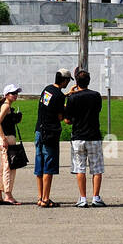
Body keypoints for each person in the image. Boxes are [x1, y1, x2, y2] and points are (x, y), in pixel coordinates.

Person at [65, 68, 105, 207]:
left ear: (76, 82)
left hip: (78, 136)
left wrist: (71, 93)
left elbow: (67, 120)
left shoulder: (72, 98)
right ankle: (96, 197)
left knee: (80, 168)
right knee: (97, 168)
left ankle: (82, 198)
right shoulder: (96, 96)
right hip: (93, 135)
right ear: (89, 81)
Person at [35, 68, 72, 207]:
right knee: (49, 166)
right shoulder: (60, 96)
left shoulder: (47, 90)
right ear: (65, 80)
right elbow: (60, 117)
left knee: (40, 165)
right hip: (50, 133)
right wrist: (66, 104)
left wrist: (66, 95)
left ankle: (40, 197)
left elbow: (50, 104)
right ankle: (46, 198)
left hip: (39, 130)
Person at [0, 83, 23, 205]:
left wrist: (15, 118)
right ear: (6, 95)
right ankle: (8, 195)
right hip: (6, 139)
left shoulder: (6, 106)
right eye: (13, 93)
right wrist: (3, 138)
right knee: (9, 168)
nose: (15, 95)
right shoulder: (6, 106)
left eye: (16, 93)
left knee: (4, 168)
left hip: (7, 139)